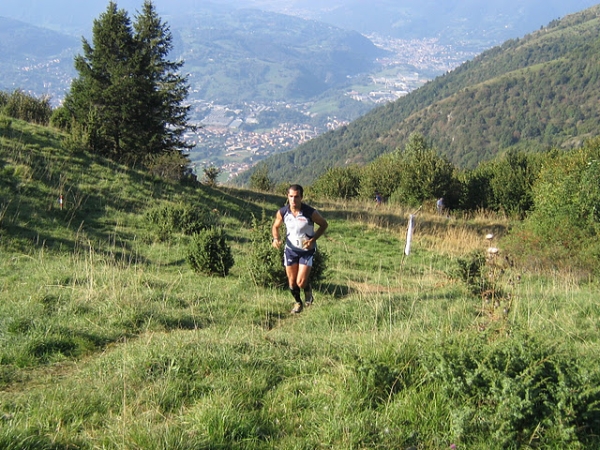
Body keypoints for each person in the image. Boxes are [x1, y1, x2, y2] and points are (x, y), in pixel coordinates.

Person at [272, 184, 328, 314]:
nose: (293, 200)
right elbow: (275, 226)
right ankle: (298, 302)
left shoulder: (310, 212)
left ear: (301, 197)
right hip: (291, 250)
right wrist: (276, 239)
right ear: (287, 196)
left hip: (306, 251)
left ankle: (308, 291)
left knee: (301, 282)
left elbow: (324, 224)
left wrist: (313, 240)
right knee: (292, 282)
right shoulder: (283, 212)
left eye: (296, 197)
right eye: (291, 196)